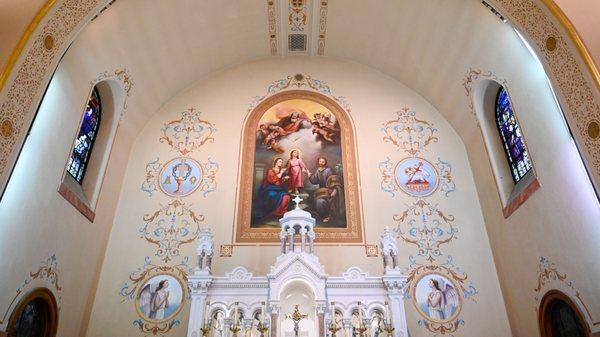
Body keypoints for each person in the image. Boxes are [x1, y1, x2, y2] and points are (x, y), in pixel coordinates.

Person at [309, 157, 344, 223]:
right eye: (320, 161)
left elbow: (334, 180)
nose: (321, 163)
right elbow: (315, 181)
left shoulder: (329, 170)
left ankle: (330, 216)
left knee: (329, 203)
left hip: (330, 190)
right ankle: (324, 216)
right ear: (318, 162)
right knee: (319, 202)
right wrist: (309, 175)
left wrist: (335, 190)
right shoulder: (318, 170)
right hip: (322, 192)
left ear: (325, 162)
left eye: (323, 161)